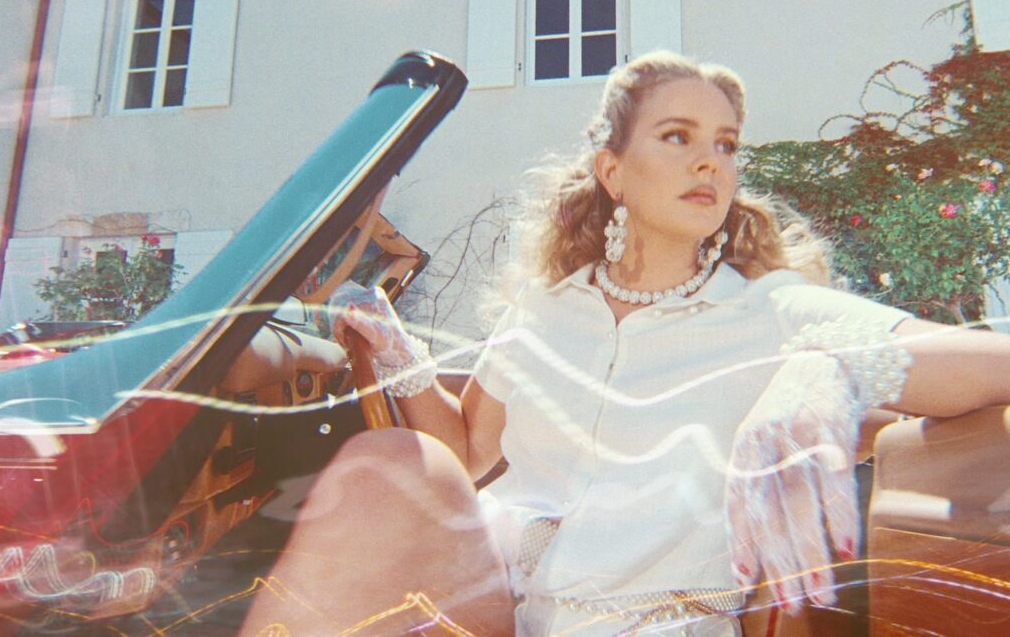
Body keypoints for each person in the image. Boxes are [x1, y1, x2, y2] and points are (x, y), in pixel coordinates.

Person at [241, 51, 1010, 636]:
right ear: (612, 170)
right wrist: (403, 359)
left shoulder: (775, 311)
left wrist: (827, 371)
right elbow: (468, 453)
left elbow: (994, 365)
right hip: (498, 603)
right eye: (678, 136)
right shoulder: (545, 308)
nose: (711, 160)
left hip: (652, 623)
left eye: (726, 144)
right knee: (382, 464)